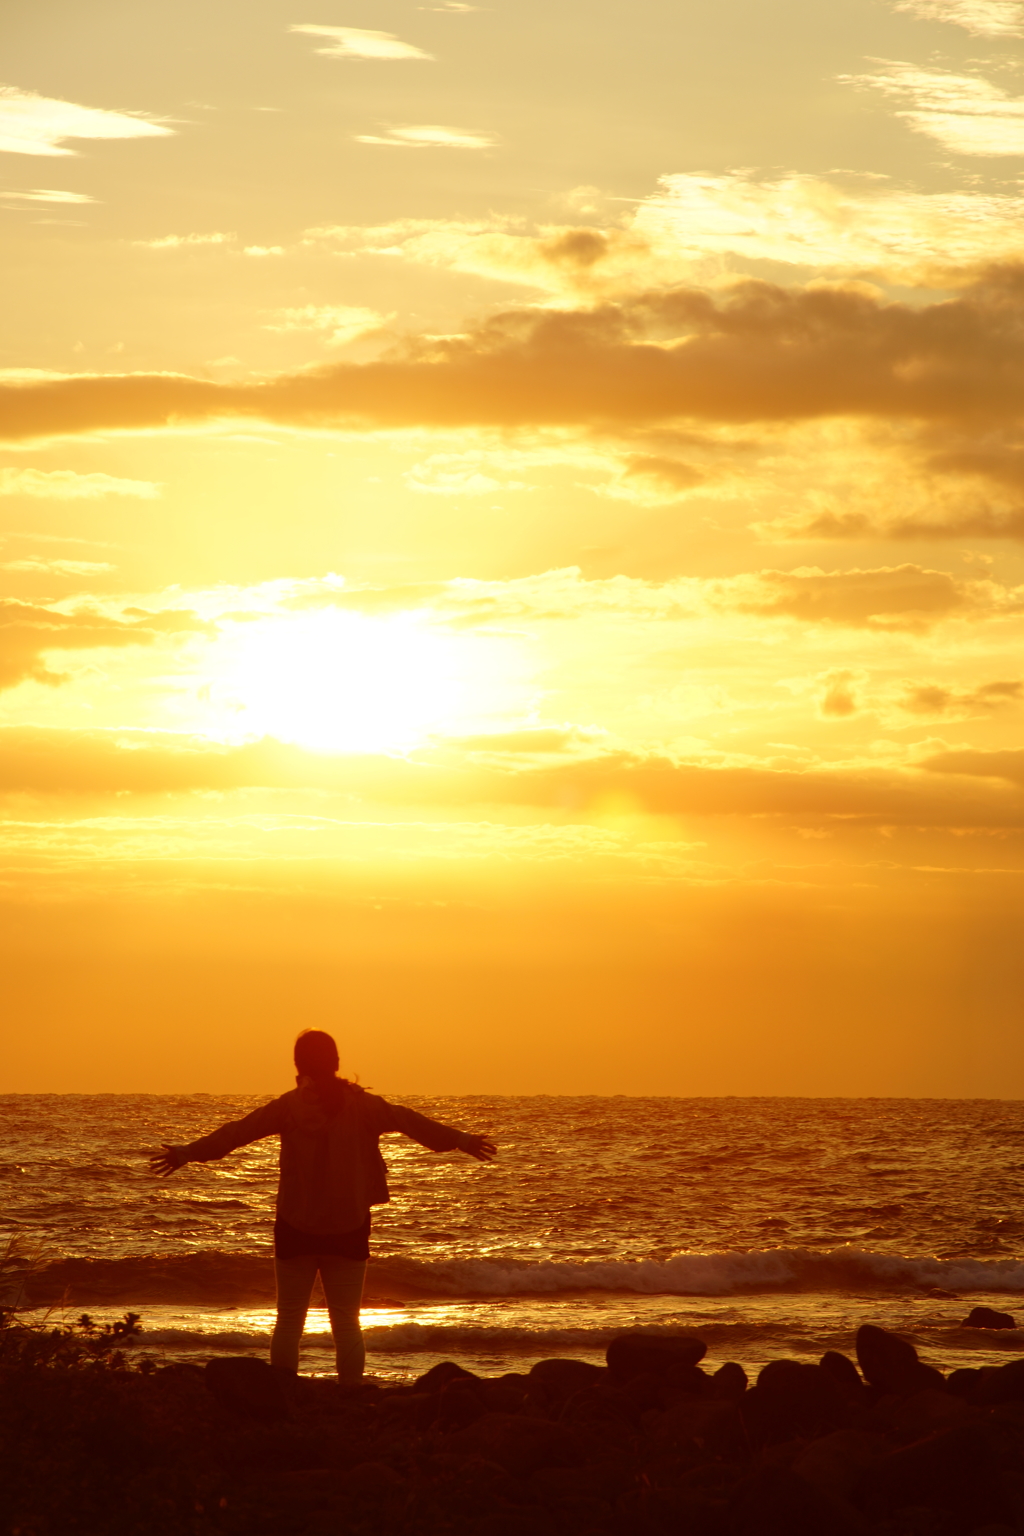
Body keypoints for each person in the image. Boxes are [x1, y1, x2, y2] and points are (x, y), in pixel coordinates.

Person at [149, 1030, 496, 1383]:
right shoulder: (364, 1106)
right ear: (337, 1063)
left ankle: (282, 1397)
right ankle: (350, 1395)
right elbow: (411, 1121)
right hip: (348, 1227)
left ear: (298, 1065)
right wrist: (460, 1139)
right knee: (346, 1322)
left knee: (288, 1321)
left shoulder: (288, 1106)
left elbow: (235, 1133)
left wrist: (186, 1153)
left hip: (294, 1227)